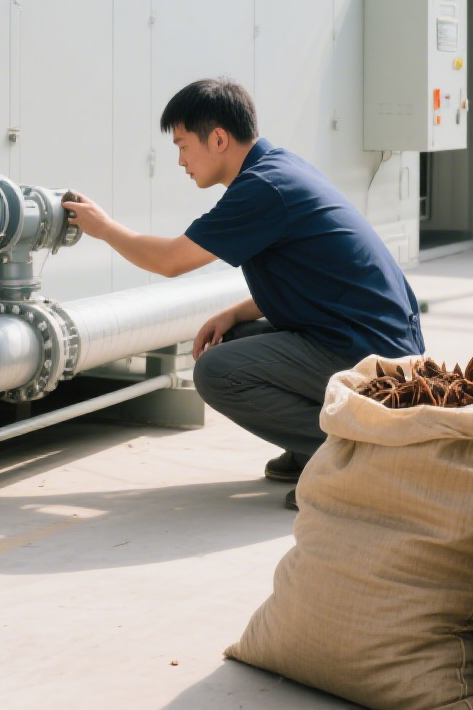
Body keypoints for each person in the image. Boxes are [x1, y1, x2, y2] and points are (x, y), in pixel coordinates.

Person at [62, 77, 424, 509]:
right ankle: (317, 446)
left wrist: (102, 227)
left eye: (182, 146)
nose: (180, 161)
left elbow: (171, 261)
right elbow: (317, 278)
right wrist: (237, 311)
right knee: (230, 341)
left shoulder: (262, 189)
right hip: (375, 342)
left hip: (374, 358)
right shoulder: (278, 169)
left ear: (217, 139)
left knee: (216, 371)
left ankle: (358, 456)